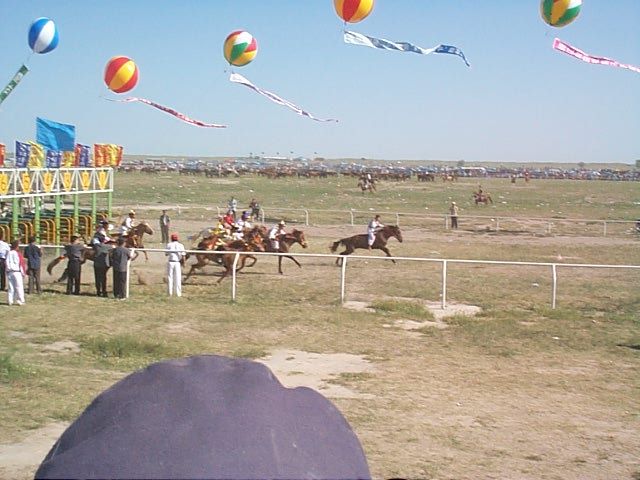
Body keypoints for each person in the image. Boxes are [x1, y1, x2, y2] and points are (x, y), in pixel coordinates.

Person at [166, 233, 186, 297]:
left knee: (170, 277)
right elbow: (183, 255)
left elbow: (166, 254)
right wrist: (184, 263)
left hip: (170, 262)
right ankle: (178, 294)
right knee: (177, 278)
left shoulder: (169, 245)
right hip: (177, 262)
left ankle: (170, 293)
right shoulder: (181, 245)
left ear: (171, 239)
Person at [6, 239, 25, 306]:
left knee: (11, 287)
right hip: (17, 271)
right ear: (16, 246)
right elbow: (21, 263)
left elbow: (7, 262)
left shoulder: (9, 253)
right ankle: (20, 300)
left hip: (10, 272)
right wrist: (23, 272)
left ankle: (10, 301)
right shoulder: (18, 253)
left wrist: (7, 270)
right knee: (19, 286)